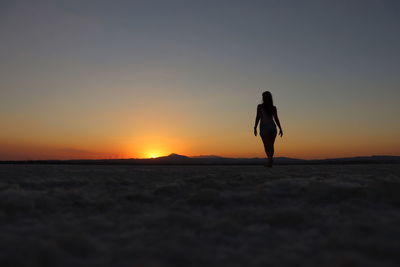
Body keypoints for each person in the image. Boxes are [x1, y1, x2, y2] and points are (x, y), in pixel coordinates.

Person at [253, 91, 283, 167]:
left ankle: (270, 160)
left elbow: (258, 117)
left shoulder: (260, 106)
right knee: (271, 145)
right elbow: (276, 119)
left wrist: (255, 127)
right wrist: (280, 128)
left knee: (267, 145)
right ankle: (270, 160)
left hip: (264, 127)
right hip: (273, 127)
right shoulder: (273, 108)